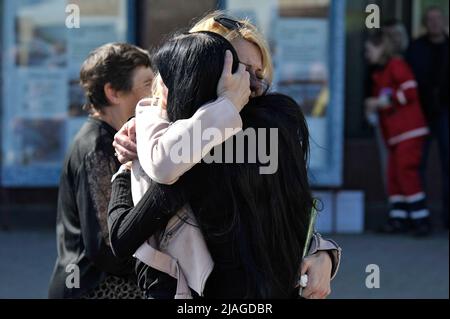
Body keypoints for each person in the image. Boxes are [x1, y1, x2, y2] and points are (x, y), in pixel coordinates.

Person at [112, 11, 341, 299]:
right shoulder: (153, 132)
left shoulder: (263, 132)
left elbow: (288, 214)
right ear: (202, 66)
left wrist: (323, 254)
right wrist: (129, 167)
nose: (255, 88)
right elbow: (121, 238)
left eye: (261, 76)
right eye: (242, 72)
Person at [48, 43, 154, 298]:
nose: (156, 93)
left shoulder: (112, 138)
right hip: (95, 288)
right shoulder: (97, 146)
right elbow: (106, 245)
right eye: (147, 83)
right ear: (113, 92)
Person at [365, 31, 431, 237]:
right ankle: (399, 219)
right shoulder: (379, 74)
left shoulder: (396, 65)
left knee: (406, 173)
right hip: (395, 135)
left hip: (409, 131)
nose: (367, 54)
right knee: (394, 176)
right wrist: (372, 110)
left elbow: (410, 91)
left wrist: (379, 103)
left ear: (381, 48)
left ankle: (421, 220)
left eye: (369, 50)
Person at [406, 6, 449, 229]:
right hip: (419, 114)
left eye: (437, 19)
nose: (434, 23)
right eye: (430, 20)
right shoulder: (416, 48)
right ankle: (419, 217)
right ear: (425, 23)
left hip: (445, 112)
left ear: (444, 21)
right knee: (416, 164)